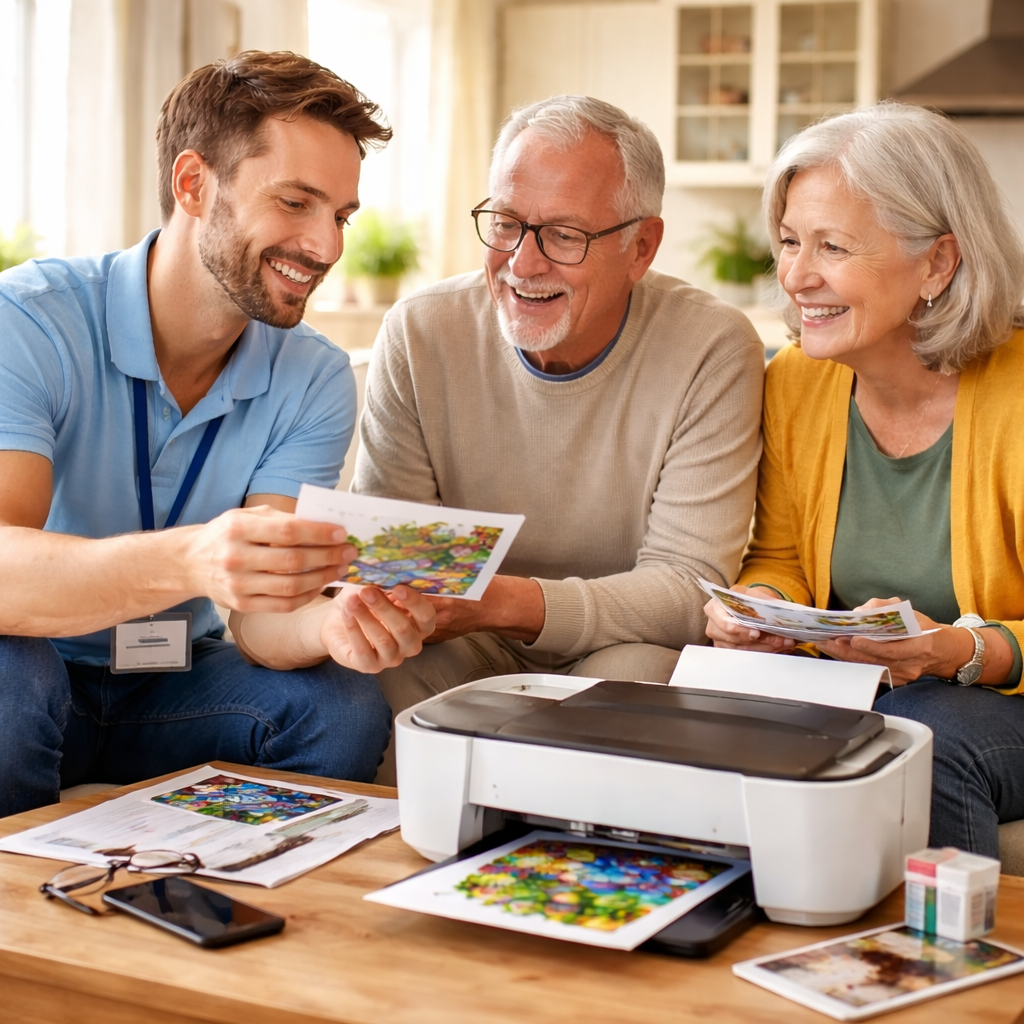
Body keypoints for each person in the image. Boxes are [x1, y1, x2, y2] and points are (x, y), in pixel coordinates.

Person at [265, 95, 764, 784]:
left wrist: (500, 602)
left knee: (636, 686)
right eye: (504, 224)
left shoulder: (710, 345)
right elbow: (393, 552)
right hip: (455, 644)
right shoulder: (422, 331)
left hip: (624, 645)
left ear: (640, 247)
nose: (522, 264)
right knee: (361, 691)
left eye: (563, 235)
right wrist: (382, 598)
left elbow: (687, 588)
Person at [0, 51, 436, 818]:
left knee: (340, 704)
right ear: (193, 184)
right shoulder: (31, 320)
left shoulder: (314, 377)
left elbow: (262, 621)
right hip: (41, 673)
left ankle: (232, 907)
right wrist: (196, 559)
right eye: (296, 202)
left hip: (177, 684)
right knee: (9, 675)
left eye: (339, 215)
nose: (328, 247)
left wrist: (331, 623)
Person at [704, 102, 1024, 858]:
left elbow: (954, 668)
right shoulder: (793, 382)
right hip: (868, 689)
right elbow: (779, 554)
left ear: (938, 263)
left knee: (924, 745)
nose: (796, 274)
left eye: (833, 247)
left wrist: (951, 650)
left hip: (991, 701)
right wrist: (760, 610)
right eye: (788, 241)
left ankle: (935, 969)